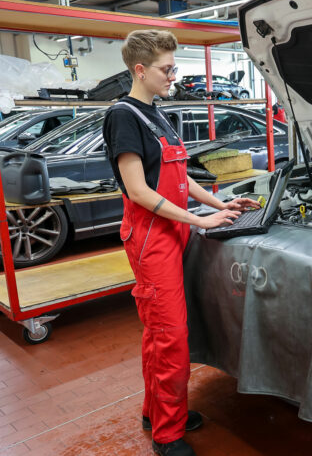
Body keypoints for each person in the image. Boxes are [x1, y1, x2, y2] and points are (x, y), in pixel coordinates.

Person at [103, 29, 259, 456]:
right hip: (152, 237)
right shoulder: (124, 116)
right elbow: (138, 191)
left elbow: (178, 178)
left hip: (175, 232)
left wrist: (220, 202)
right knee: (170, 335)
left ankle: (156, 411)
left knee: (161, 334)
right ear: (140, 70)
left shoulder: (156, 113)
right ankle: (167, 435)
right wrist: (200, 220)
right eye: (166, 69)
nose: (173, 76)